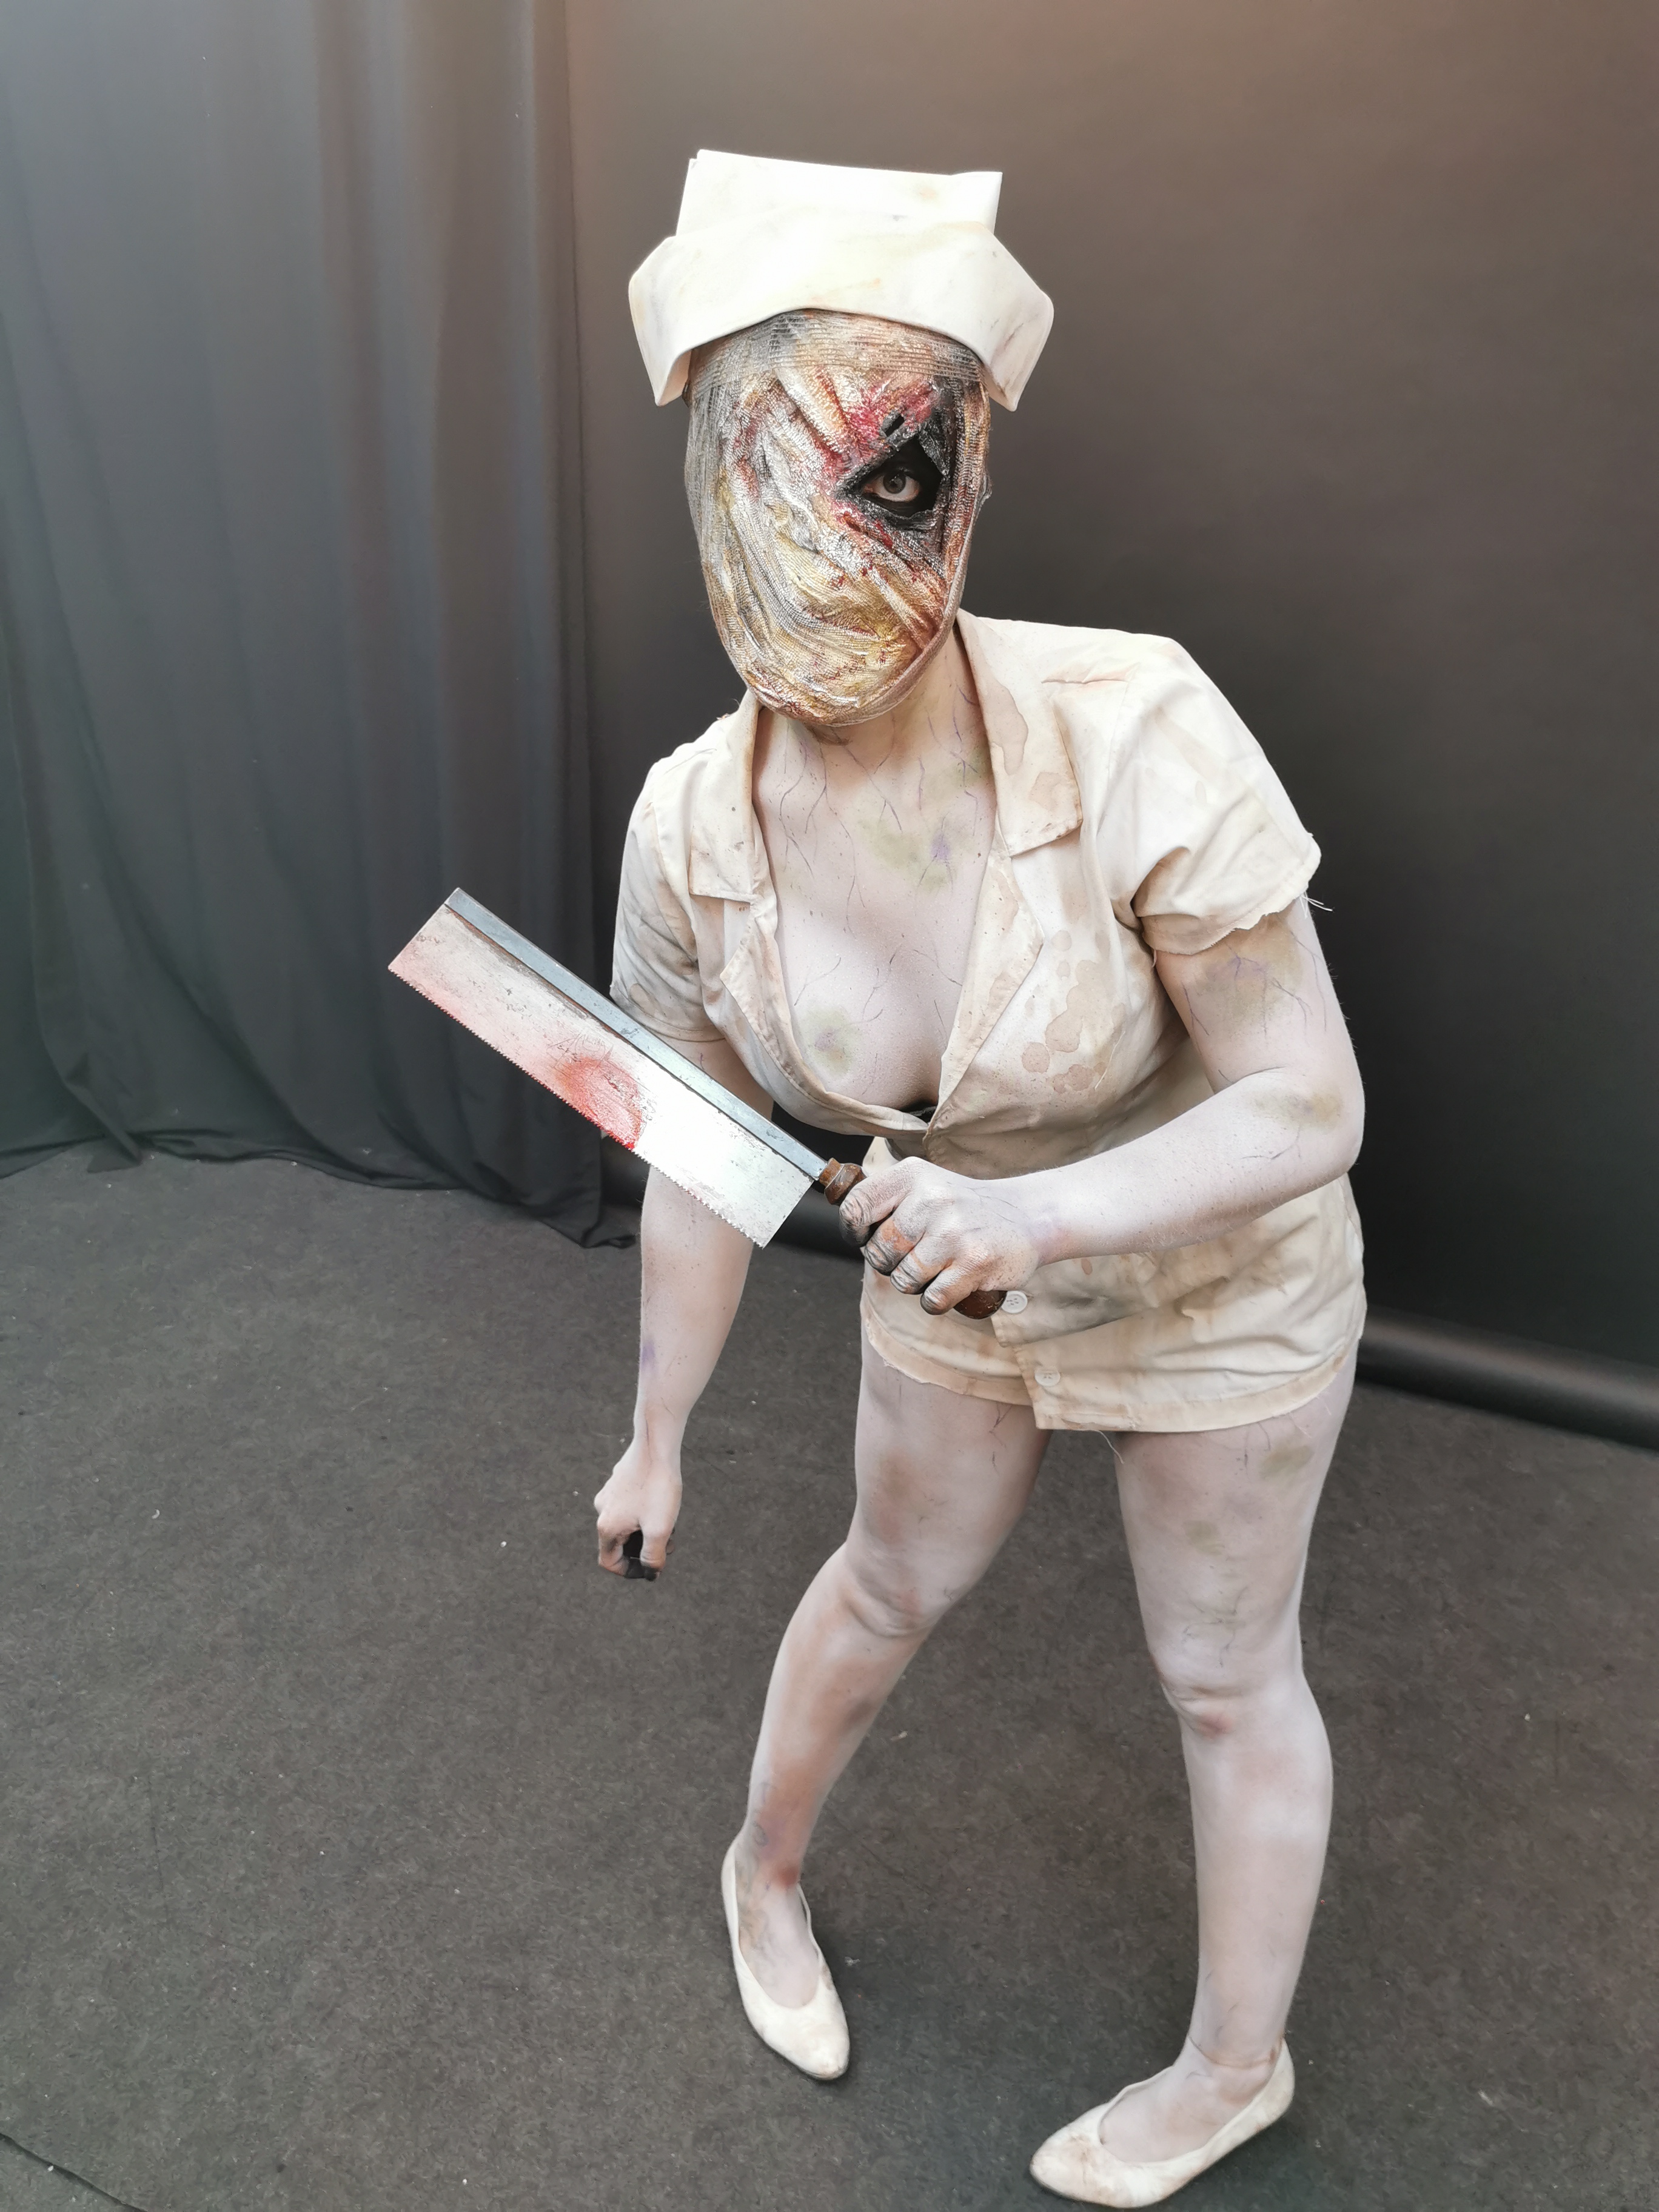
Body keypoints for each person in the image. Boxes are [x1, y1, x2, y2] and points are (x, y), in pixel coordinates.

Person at [596, 151, 1366, 2207]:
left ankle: (1236, 2070)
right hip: (952, 1264)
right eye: (774, 478)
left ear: (958, 484)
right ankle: (761, 1874)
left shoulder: (1135, 726)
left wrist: (1037, 1214)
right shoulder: (691, 831)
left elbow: (1308, 1101)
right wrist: (658, 1433)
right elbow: (696, 1152)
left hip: (1215, 1262)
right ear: (711, 494)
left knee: (1227, 1673)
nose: (826, 543)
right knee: (887, 1574)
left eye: (888, 478)